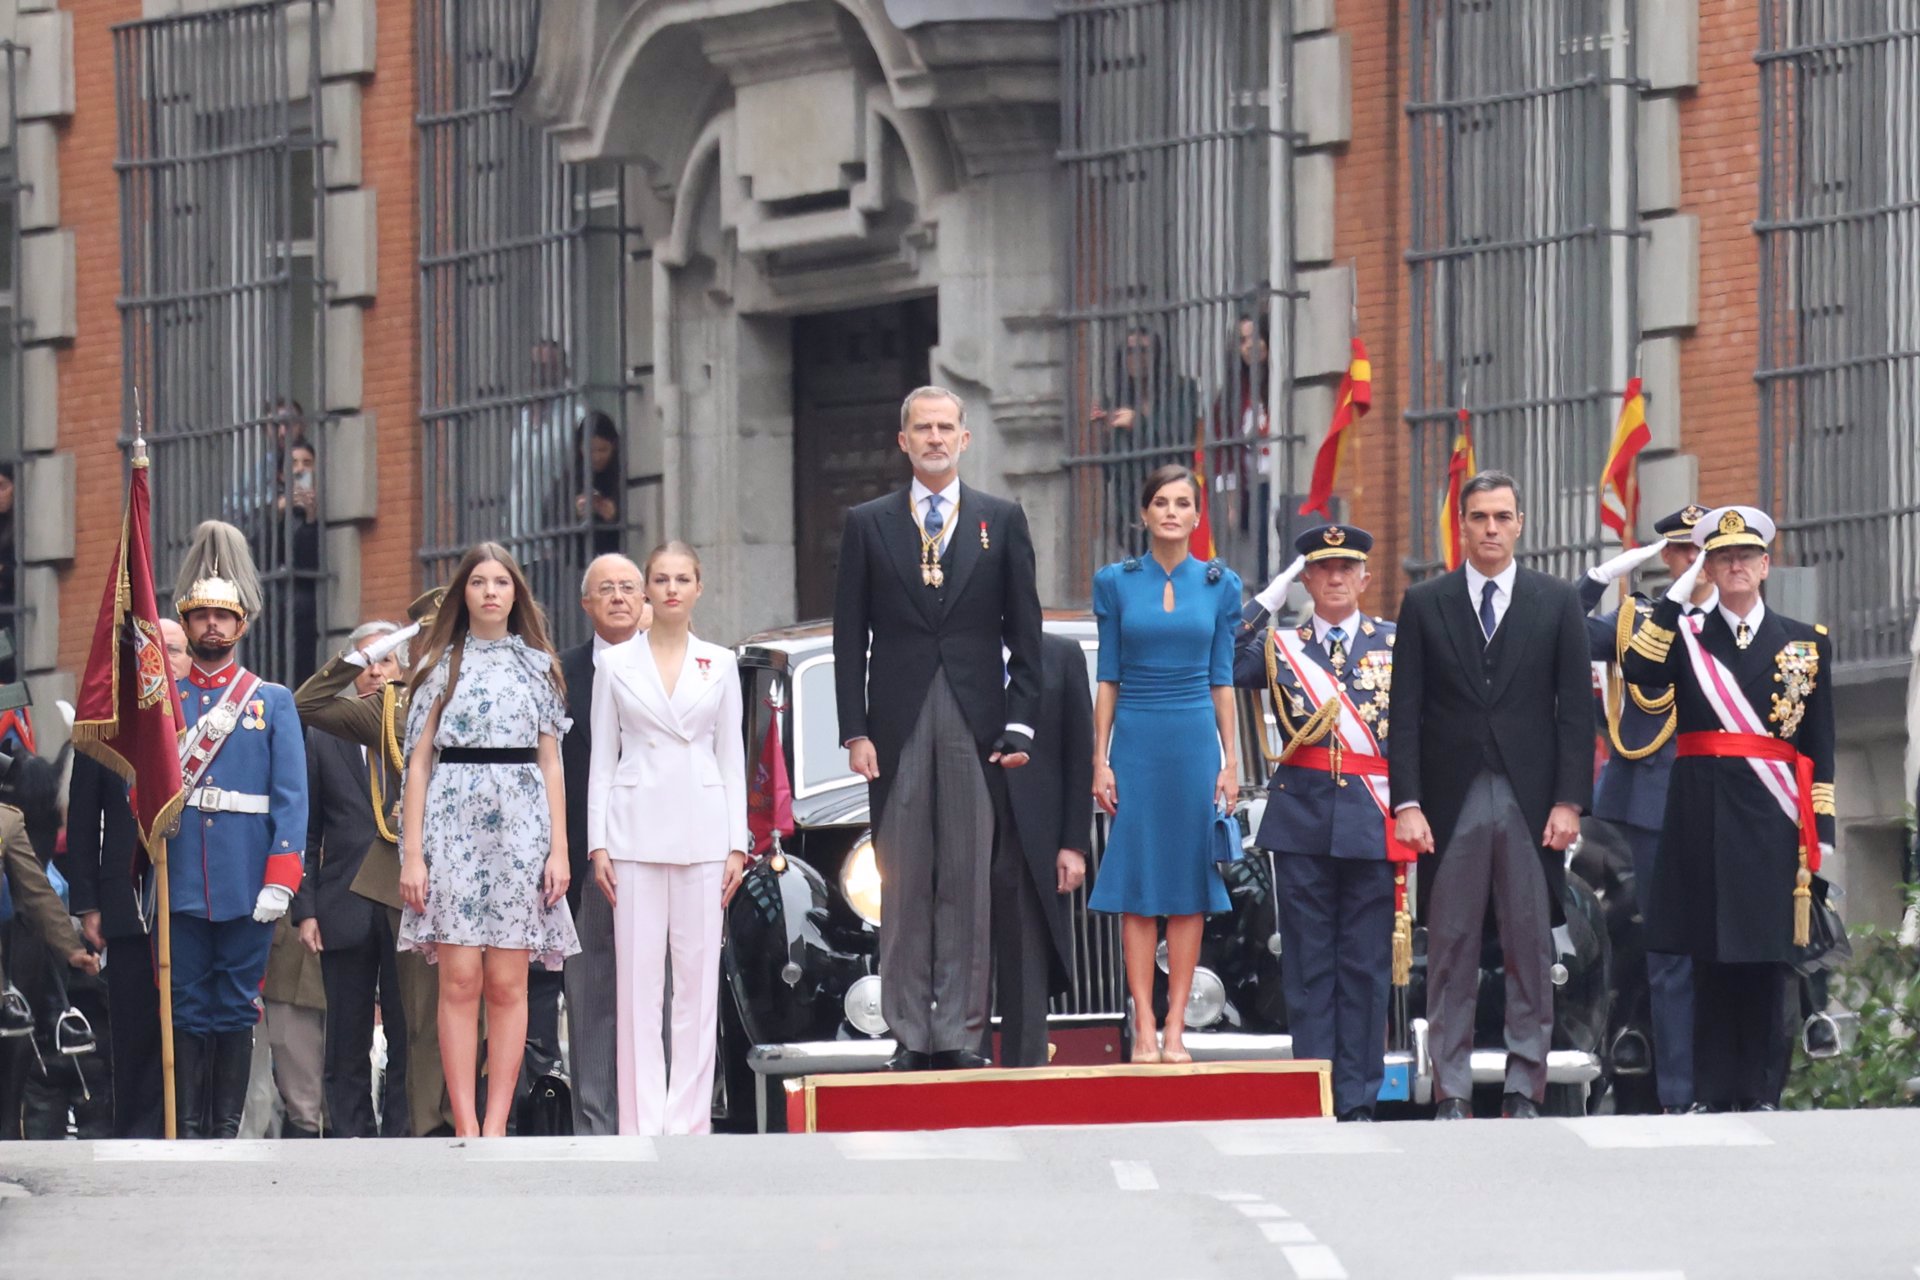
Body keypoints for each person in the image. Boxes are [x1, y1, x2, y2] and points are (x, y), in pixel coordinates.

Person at [832, 385, 1044, 1072]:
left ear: (965, 439)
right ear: (903, 442)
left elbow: (1027, 637)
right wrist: (854, 730)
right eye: (921, 428)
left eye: (945, 427)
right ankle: (908, 1031)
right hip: (895, 725)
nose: (933, 438)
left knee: (966, 882)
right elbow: (848, 638)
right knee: (903, 880)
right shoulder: (868, 524)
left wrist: (1019, 725)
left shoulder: (1001, 520)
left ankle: (957, 1032)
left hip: (976, 721)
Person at [1387, 471, 1592, 1120]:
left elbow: (1575, 715)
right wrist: (1409, 802)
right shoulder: (1426, 603)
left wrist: (1569, 801)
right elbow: (1408, 713)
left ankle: (1523, 1087)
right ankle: (1450, 1090)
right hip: (1450, 803)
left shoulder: (1556, 602)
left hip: (1532, 802)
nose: (1491, 529)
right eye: (1479, 517)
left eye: (1503, 516)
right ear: (1462, 525)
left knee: (1531, 948)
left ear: (1521, 523)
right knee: (1450, 948)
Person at [1619, 505, 1834, 1113]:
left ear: (1766, 566)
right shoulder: (1685, 634)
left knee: (1768, 958)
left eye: (1745, 556)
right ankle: (1714, 1092)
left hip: (1773, 818)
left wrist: (1824, 836)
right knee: (1709, 956)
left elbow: (1820, 748)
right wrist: (1678, 594)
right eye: (1722, 557)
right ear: (1709, 566)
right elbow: (1639, 668)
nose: (1735, 565)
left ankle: (1762, 1089)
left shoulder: (1805, 642)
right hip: (1702, 813)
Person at [399, 543, 578, 1138]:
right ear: (464, 594)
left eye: (502, 581)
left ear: (516, 594)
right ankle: (466, 1123)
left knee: (508, 981)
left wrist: (559, 849)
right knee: (459, 980)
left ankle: (498, 1122)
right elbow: (418, 763)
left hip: (523, 828)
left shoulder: (538, 665)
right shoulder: (437, 665)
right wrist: (413, 853)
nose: (491, 591)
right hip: (452, 825)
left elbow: (552, 763)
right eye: (479, 581)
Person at [1234, 524, 1401, 1121]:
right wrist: (1268, 598)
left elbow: (1414, 735)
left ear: (1364, 577)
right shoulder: (1281, 647)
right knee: (1308, 966)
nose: (1334, 578)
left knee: (1364, 964)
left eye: (1345, 568)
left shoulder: (1393, 644)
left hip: (1372, 819)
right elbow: (1222, 654)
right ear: (1305, 578)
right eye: (1321, 569)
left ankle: (1358, 1097)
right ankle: (1317, 1093)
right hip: (1301, 820)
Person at [586, 542, 747, 1135]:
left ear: (699, 588)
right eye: (661, 579)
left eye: (683, 578)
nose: (671, 588)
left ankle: (688, 1122)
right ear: (648, 590)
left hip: (705, 832)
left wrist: (738, 843)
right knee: (638, 987)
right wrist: (597, 843)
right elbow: (604, 757)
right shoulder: (615, 665)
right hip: (632, 832)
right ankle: (641, 1121)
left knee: (697, 988)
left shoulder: (721, 663)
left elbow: (731, 755)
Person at [1087, 464, 1243, 1065]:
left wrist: (1230, 763)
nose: (1172, 511)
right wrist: (1101, 760)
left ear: (1198, 516)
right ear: (1145, 515)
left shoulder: (1220, 583)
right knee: (1137, 887)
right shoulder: (1116, 582)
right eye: (1161, 502)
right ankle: (1143, 1025)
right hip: (1138, 741)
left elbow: (1222, 679)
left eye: (1183, 502)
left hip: (1195, 742)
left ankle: (1178, 1026)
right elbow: (1108, 677)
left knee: (1187, 888)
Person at [294, 593, 454, 1136]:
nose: (377, 671)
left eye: (387, 660)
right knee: (347, 1033)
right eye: (367, 662)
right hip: (343, 902)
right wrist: (305, 907)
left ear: (404, 670)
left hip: (409, 895)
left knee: (412, 1026)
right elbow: (307, 828)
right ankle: (350, 1136)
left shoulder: (421, 721)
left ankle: (408, 1131)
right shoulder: (326, 736)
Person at [169, 520, 310, 1138]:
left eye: (223, 618)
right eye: (201, 617)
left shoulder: (269, 699)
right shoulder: (166, 702)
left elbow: (292, 798)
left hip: (247, 876)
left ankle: (222, 1127)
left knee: (234, 1002)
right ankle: (190, 1127)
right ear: (188, 620)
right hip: (180, 876)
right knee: (188, 1003)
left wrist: (282, 877)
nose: (212, 627)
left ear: (242, 625)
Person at [1576, 504, 1717, 1114]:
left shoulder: (1740, 623)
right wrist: (1598, 580)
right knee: (1666, 952)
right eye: (1685, 552)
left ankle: (1736, 1082)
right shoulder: (1634, 619)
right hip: (1651, 803)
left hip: (1724, 801)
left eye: (1706, 551)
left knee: (1738, 947)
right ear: (1667, 558)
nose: (1697, 563)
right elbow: (1561, 632)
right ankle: (1677, 1092)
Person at [67, 618, 189, 1138]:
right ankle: (137, 1128)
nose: (168, 659)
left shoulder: (207, 722)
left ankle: (186, 1124)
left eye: (177, 650)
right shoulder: (108, 726)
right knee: (134, 1023)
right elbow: (81, 817)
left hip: (190, 898)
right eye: (158, 650)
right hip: (127, 899)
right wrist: (88, 902)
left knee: (189, 1023)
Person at [559, 554, 651, 1135]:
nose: (618, 597)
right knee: (590, 993)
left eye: (628, 588)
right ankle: (595, 1120)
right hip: (583, 854)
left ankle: (655, 1113)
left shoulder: (671, 662)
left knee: (655, 988)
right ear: (586, 604)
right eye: (605, 590)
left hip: (659, 847)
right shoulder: (560, 673)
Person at [997, 630, 1095, 1067]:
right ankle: (968, 1068)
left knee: (1027, 961)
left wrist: (1074, 843)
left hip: (1035, 836)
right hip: (972, 824)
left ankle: (1027, 1068)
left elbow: (1079, 753)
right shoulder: (958, 647)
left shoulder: (1060, 654)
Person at [1088, 329, 1200, 560]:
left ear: (1158, 354)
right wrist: (1103, 432)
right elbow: (1109, 466)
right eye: (1129, 351)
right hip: (1130, 507)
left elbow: (1181, 439)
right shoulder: (1119, 398)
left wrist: (1138, 422)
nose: (1136, 357)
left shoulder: (1183, 390)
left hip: (1171, 497)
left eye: (1144, 350)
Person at [260, 914, 326, 1136]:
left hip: (351, 952)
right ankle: (297, 1168)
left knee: (344, 1097)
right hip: (286, 962)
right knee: (301, 1102)